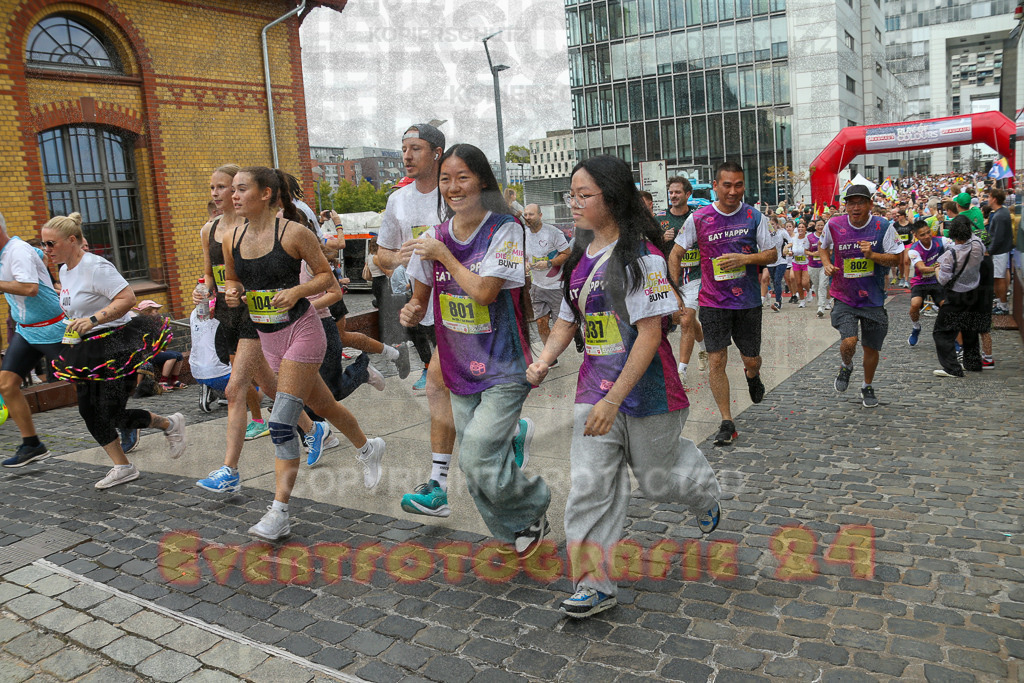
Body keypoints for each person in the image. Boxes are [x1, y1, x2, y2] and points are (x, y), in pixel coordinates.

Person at [526, 155, 721, 619]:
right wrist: (544, 359)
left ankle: (702, 488)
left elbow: (650, 335)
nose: (572, 204)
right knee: (590, 485)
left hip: (648, 393)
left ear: (611, 199)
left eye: (583, 195)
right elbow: (567, 323)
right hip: (594, 389)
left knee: (655, 481)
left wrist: (616, 399)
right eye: (571, 195)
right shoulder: (578, 259)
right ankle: (593, 583)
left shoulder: (644, 260)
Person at [401, 143, 549, 557]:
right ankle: (517, 527)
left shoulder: (505, 229)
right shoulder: (434, 236)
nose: (453, 187)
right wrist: (412, 309)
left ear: (482, 180)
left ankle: (535, 502)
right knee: (471, 464)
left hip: (504, 364)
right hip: (458, 366)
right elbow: (420, 296)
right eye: (445, 179)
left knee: (481, 456)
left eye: (462, 177)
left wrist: (444, 254)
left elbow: (484, 292)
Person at [224, 166, 385, 540]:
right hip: (269, 337)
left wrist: (296, 293)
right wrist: (232, 292)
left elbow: (325, 277)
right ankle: (368, 447)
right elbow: (232, 278)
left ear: (266, 193)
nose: (234, 196)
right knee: (325, 406)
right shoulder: (232, 238)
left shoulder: (294, 233)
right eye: (232, 189)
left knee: (281, 420)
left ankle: (278, 512)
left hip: (303, 331)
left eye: (241, 189)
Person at [192, 165, 328, 495]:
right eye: (213, 187)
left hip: (258, 318)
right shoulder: (209, 230)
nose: (217, 193)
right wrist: (204, 291)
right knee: (269, 384)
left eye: (223, 187)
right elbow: (211, 274)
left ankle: (230, 470)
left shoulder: (256, 228)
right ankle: (313, 429)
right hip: (229, 315)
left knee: (235, 388)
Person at [42, 213, 186, 488]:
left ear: (71, 240)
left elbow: (128, 298)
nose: (46, 249)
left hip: (117, 345)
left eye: (51, 243)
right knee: (88, 411)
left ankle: (169, 424)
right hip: (87, 349)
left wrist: (93, 319)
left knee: (110, 412)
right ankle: (123, 466)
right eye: (44, 243)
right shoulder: (63, 270)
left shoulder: (96, 266)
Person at [376, 123, 458, 517]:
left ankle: (439, 485)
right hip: (423, 306)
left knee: (449, 389)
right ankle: (440, 484)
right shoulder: (399, 201)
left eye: (416, 148)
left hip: (465, 305)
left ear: (438, 152)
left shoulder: (456, 192)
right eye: (404, 149)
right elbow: (382, 255)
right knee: (446, 389)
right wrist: (403, 259)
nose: (407, 156)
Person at [673, 162, 779, 445]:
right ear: (716, 186)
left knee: (750, 358)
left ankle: (752, 374)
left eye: (739, 185)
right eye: (727, 185)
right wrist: (675, 294)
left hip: (746, 302)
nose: (733, 191)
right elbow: (675, 254)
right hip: (712, 303)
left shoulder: (753, 216)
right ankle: (726, 421)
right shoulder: (699, 218)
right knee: (716, 361)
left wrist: (745, 259)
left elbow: (771, 254)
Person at [820, 184, 904, 407]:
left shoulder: (882, 226)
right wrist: (827, 264)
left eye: (860, 202)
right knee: (849, 341)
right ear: (845, 205)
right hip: (844, 295)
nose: (855, 207)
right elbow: (822, 247)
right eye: (851, 203)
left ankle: (867, 385)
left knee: (871, 348)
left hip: (873, 298)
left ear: (869, 205)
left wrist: (872, 254)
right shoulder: (834, 224)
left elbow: (897, 258)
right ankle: (846, 365)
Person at [0, 212, 67, 467]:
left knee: (85, 383)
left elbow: (30, 288)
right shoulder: (14, 252)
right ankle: (32, 445)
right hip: (26, 330)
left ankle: (126, 421)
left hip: (52, 329)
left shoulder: (16, 250)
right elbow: (37, 256)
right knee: (6, 385)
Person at [664, 177, 708, 380]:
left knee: (687, 319)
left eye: (677, 192)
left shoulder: (698, 218)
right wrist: (660, 237)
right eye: (671, 192)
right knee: (684, 320)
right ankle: (704, 346)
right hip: (669, 279)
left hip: (694, 277)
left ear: (688, 195)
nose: (673, 196)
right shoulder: (660, 220)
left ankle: (680, 370)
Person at [932, 215, 986, 377]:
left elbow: (943, 280)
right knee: (970, 329)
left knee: (942, 332)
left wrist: (936, 269)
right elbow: (979, 242)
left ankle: (951, 368)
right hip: (974, 292)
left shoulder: (950, 254)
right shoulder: (978, 245)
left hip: (956, 295)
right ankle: (973, 363)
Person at [523, 204, 570, 350]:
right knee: (541, 324)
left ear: (540, 215)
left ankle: (573, 337)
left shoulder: (553, 232)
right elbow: (522, 255)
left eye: (531, 214)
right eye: (525, 215)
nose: (528, 218)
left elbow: (567, 254)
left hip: (556, 287)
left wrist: (549, 263)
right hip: (537, 286)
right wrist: (524, 263)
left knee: (560, 328)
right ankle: (550, 357)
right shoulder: (523, 234)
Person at [906, 220, 953, 347]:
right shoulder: (913, 250)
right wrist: (937, 267)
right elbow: (921, 268)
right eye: (923, 235)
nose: (927, 236)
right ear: (916, 236)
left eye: (928, 232)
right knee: (915, 305)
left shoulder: (941, 241)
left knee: (947, 307)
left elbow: (958, 247)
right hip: (920, 281)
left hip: (936, 280)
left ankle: (951, 335)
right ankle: (916, 327)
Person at [134, 300, 185, 390]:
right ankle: (163, 381)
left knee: (179, 355)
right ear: (147, 312)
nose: (158, 313)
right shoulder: (141, 325)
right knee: (172, 356)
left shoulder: (154, 323)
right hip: (145, 354)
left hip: (155, 352)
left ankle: (174, 380)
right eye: (155, 311)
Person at [988, 188, 1012, 316]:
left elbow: (998, 237)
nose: (988, 199)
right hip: (999, 251)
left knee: (999, 278)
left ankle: (1003, 306)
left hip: (999, 251)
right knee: (997, 278)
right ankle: (999, 303)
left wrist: (989, 251)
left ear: (994, 199)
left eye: (989, 197)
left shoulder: (1000, 215)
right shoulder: (1000, 213)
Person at [808, 218, 829, 318]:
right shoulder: (809, 237)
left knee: (822, 286)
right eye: (818, 225)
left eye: (822, 225)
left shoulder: (828, 236)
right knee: (816, 286)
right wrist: (813, 253)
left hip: (824, 265)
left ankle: (821, 307)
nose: (820, 227)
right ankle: (819, 303)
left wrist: (823, 254)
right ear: (815, 226)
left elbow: (832, 251)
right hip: (812, 266)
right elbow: (805, 251)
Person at [789, 221, 811, 308]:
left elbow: (810, 249)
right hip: (796, 262)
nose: (800, 229)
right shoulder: (794, 238)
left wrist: (809, 253)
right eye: (799, 227)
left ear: (805, 229)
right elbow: (791, 248)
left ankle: (809, 291)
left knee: (804, 282)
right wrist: (790, 252)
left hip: (806, 263)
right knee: (798, 282)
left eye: (802, 227)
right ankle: (802, 301)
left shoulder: (808, 238)